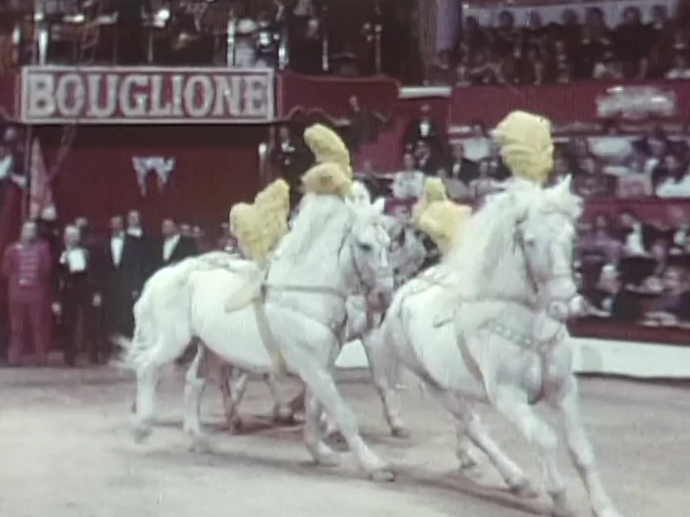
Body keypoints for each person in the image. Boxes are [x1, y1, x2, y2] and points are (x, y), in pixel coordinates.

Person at [2, 220, 53, 366]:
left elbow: (47, 268)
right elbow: (5, 270)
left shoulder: (42, 248)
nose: (30, 232)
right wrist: (17, 276)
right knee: (16, 328)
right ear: (22, 231)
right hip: (17, 294)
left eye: (33, 230)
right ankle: (15, 358)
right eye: (28, 230)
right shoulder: (12, 249)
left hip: (36, 294)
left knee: (38, 327)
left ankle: (41, 358)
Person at [56, 225, 98, 365]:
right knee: (69, 323)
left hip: (84, 290)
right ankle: (69, 357)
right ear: (65, 237)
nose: (74, 238)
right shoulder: (59, 252)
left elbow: (93, 273)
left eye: (76, 235)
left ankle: (93, 355)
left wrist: (95, 292)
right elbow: (54, 275)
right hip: (68, 291)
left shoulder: (85, 252)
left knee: (90, 322)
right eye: (71, 235)